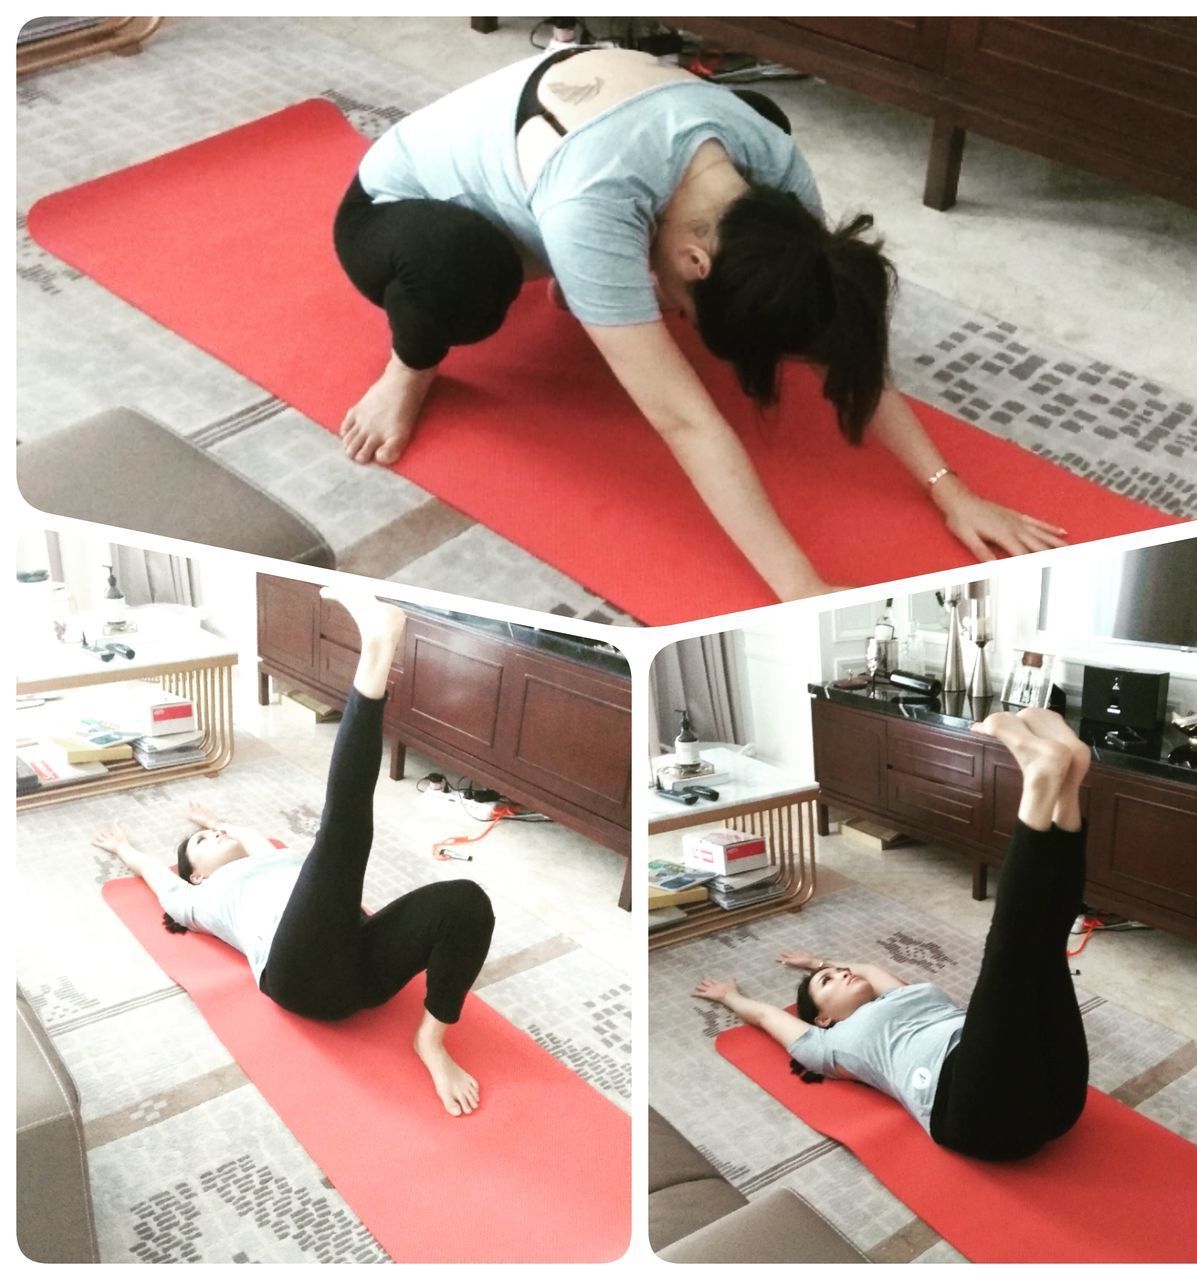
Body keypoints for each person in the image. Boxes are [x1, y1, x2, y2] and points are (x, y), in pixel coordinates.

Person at [332, 46, 1067, 601]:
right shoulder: (593, 200)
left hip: (561, 174)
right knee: (462, 273)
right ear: (691, 259)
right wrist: (803, 593)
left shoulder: (766, 165)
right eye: (683, 301)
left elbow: (836, 328)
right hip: (400, 212)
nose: (677, 316)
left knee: (736, 188)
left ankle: (586, 277)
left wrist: (951, 490)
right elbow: (688, 421)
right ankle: (412, 362)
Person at [91, 591, 495, 1118]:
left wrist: (214, 824)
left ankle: (431, 1040)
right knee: (342, 833)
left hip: (362, 968)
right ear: (194, 876)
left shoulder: (269, 856)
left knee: (466, 901)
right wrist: (127, 850)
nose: (210, 841)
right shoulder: (204, 898)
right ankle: (375, 657)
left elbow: (252, 835)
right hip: (300, 978)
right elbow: (157, 877)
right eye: (199, 849)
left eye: (210, 836)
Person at [693, 708, 1091, 1161]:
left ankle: (1068, 777)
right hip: (974, 1114)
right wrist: (730, 996)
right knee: (1014, 954)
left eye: (838, 973)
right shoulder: (829, 1046)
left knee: (1045, 945)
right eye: (829, 985)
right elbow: (768, 1018)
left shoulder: (902, 995)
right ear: (822, 1018)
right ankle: (1042, 781)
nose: (842, 975)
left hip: (1048, 1098)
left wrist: (818, 964)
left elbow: (865, 968)